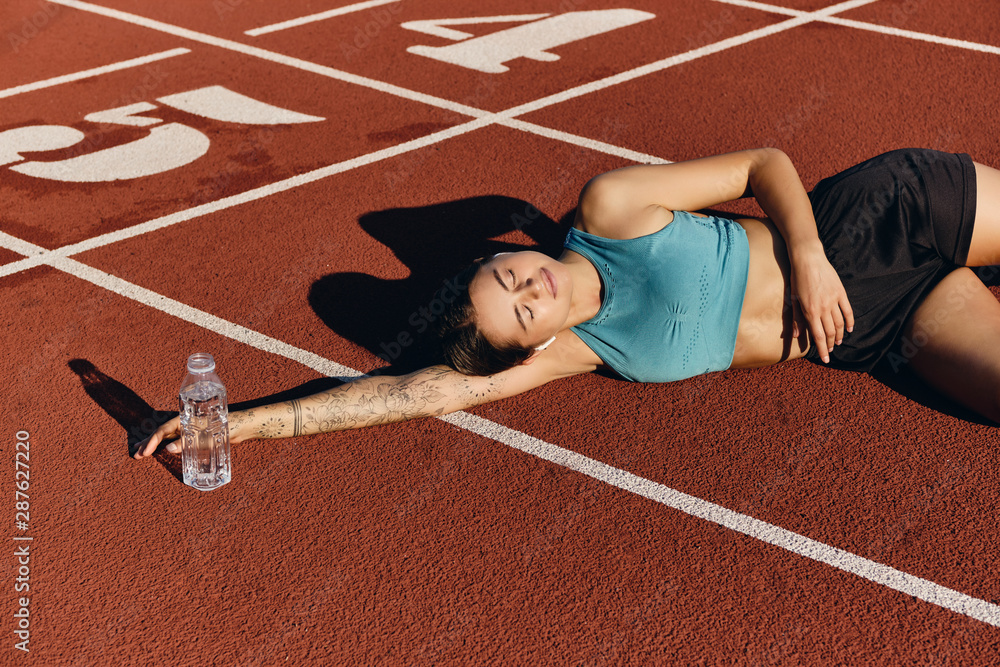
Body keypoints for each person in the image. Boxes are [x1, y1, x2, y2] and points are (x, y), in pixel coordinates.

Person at [134, 146, 1000, 458]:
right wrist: (231, 424)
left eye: (507, 272)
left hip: (881, 218)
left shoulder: (607, 211)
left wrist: (808, 257)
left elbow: (763, 164)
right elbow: (410, 392)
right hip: (879, 324)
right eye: (518, 310)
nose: (526, 286)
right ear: (532, 344)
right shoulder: (582, 352)